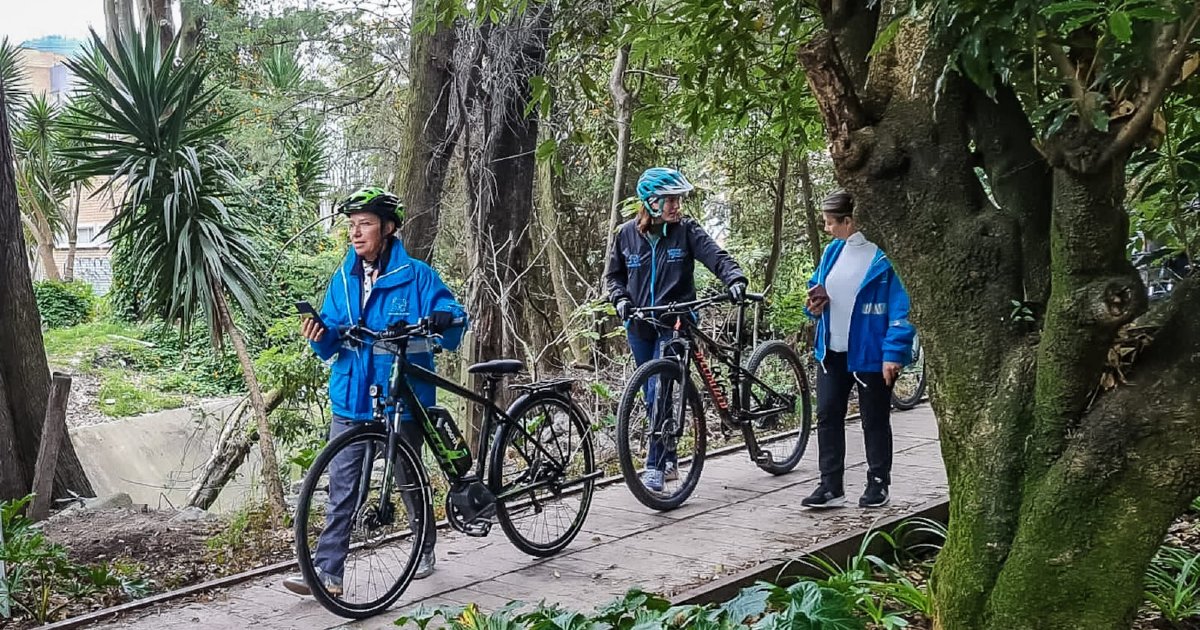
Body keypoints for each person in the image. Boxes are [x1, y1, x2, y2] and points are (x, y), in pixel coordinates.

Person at [283, 187, 467, 596]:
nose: (355, 233)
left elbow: (456, 318)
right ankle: (327, 574)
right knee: (343, 488)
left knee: (408, 478)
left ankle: (424, 546)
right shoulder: (342, 279)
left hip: (402, 398)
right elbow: (331, 339)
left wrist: (444, 317)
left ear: (388, 228)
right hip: (352, 397)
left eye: (364, 224)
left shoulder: (416, 275)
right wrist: (318, 335)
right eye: (351, 225)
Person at [605, 167, 748, 493]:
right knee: (649, 392)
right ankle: (669, 456)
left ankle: (654, 466)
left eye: (679, 199)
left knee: (660, 390)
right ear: (651, 202)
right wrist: (620, 299)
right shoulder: (626, 235)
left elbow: (716, 256)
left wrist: (735, 278)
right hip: (640, 324)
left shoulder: (686, 231)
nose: (676, 205)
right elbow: (614, 277)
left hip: (676, 322)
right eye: (670, 199)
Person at [801, 189, 914, 510]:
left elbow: (900, 308)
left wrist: (893, 353)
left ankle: (878, 482)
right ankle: (830, 485)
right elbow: (816, 288)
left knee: (874, 419)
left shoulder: (884, 257)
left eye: (830, 223)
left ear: (849, 221)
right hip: (832, 351)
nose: (826, 229)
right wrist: (814, 306)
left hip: (870, 353)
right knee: (827, 416)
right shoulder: (833, 252)